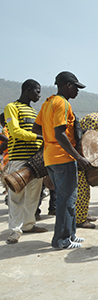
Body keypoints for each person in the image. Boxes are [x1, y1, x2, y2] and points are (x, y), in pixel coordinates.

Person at [33, 71, 91, 249]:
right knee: (67, 200)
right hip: (63, 158)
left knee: (68, 199)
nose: (78, 91)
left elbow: (36, 129)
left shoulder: (48, 102)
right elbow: (60, 134)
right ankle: (61, 240)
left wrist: (49, 140)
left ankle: (71, 234)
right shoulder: (62, 103)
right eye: (76, 87)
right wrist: (79, 157)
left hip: (50, 157)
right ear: (67, 85)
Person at [4, 79, 47, 244]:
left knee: (34, 194)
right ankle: (15, 230)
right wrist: (38, 137)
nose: (39, 95)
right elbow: (14, 132)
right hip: (18, 158)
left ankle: (28, 225)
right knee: (16, 194)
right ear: (28, 90)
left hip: (36, 159)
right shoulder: (11, 107)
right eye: (37, 91)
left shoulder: (34, 111)